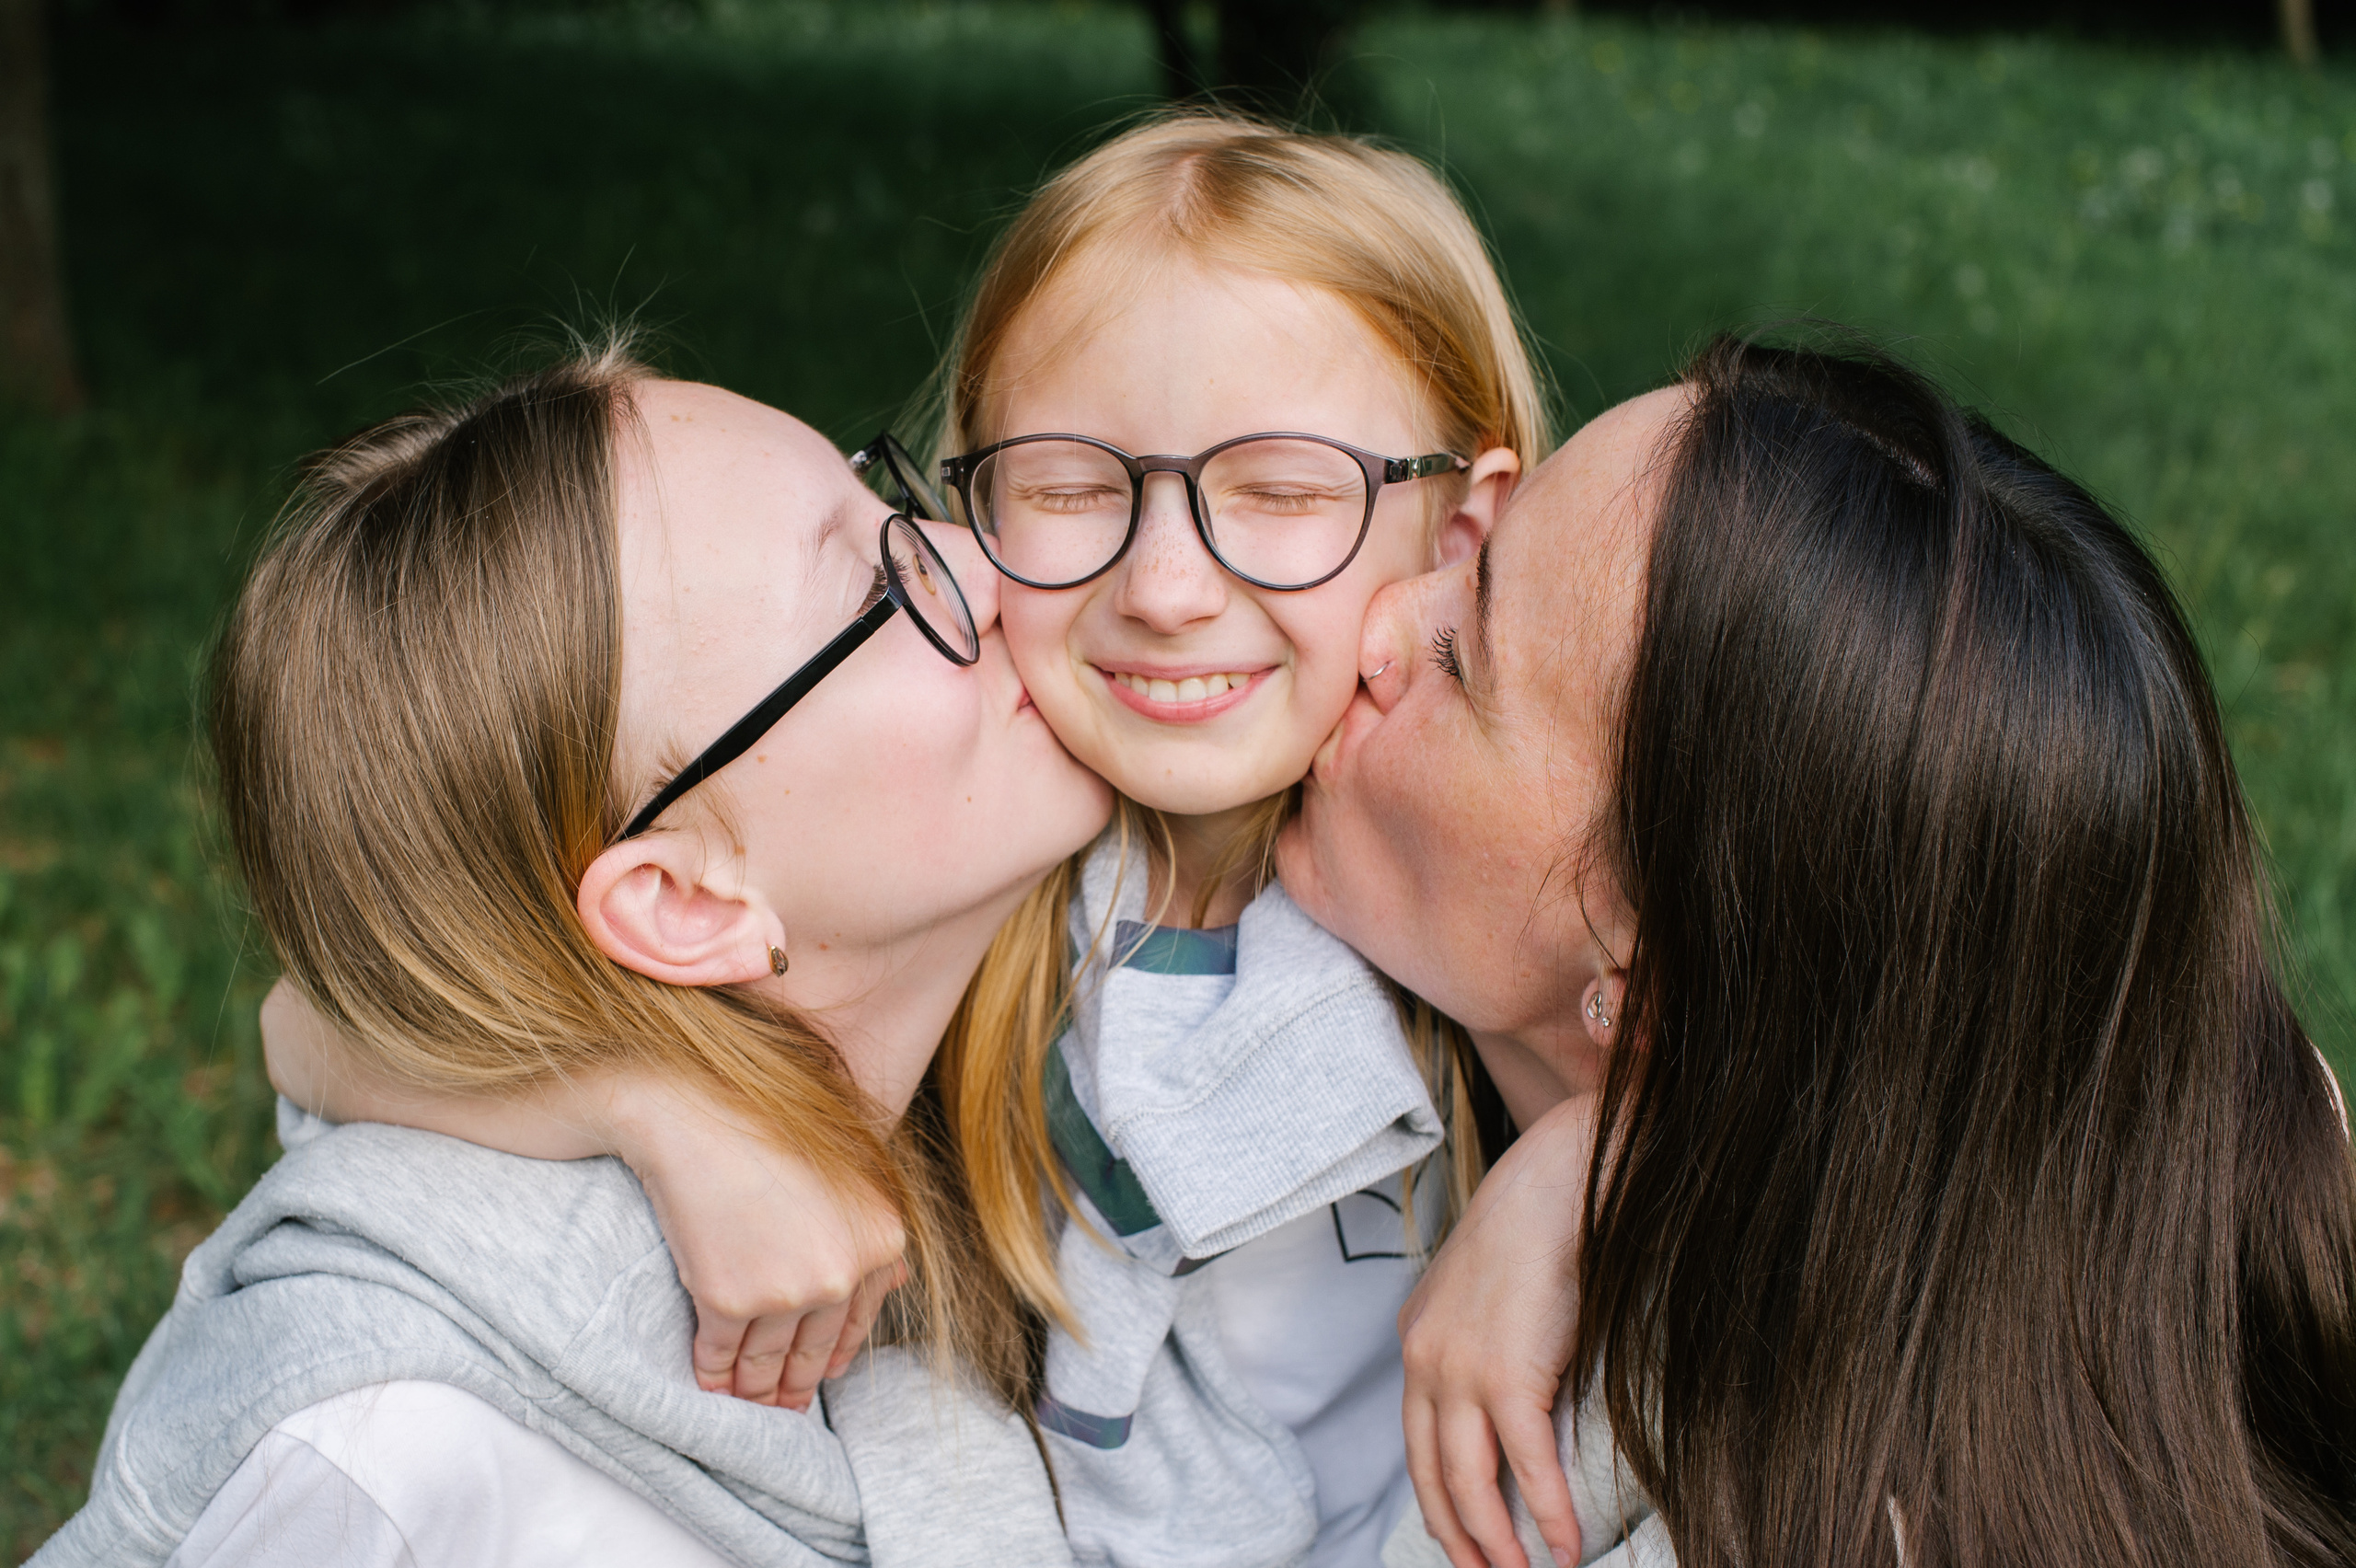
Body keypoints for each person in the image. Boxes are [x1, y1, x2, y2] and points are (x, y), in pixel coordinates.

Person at [266, 110, 1548, 1568]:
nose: (1170, 585)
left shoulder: (1498, 867)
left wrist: (1584, 1170)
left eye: (1284, 491)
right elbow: (326, 1023)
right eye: (1071, 489)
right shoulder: (982, 848)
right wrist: (661, 1110)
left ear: (1459, 535)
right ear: (978, 489)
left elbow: (1807, 1058)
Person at [1275, 334, 2356, 1568]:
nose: (1375, 621)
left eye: (1462, 660)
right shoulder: (2161, 1156)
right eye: (1471, 552)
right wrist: (1612, 1146)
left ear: (1641, 997)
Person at [32, 343, 1111, 1568]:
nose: (989, 561)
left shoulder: (1114, 967)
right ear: (682, 903)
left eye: (897, 511)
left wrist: (640, 1095)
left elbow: (306, 1021)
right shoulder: (390, 1455)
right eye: (875, 592)